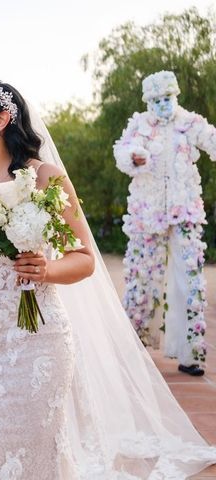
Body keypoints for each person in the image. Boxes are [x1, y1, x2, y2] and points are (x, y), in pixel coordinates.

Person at [0, 78, 216, 479]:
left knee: (33, 461)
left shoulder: (45, 178)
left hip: (35, 346)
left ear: (2, 119)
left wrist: (47, 269)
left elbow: (83, 258)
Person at [114, 70, 216, 377]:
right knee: (141, 279)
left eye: (167, 99)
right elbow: (122, 151)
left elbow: (211, 138)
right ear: (148, 102)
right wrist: (135, 156)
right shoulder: (140, 124)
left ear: (176, 96)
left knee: (189, 279)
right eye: (156, 101)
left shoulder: (190, 123)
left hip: (185, 213)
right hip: (148, 214)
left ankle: (189, 354)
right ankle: (135, 347)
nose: (162, 106)